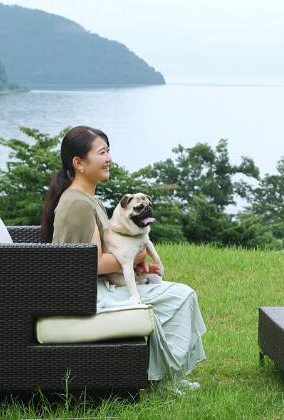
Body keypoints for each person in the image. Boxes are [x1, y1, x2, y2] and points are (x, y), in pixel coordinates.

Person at [39, 125, 206, 392]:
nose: (109, 159)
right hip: (89, 295)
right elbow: (91, 264)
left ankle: (167, 374)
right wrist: (136, 256)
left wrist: (137, 263)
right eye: (102, 153)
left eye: (108, 151)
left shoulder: (87, 199)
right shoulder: (78, 204)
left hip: (98, 287)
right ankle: (164, 379)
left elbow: (108, 251)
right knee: (182, 295)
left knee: (171, 291)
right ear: (79, 163)